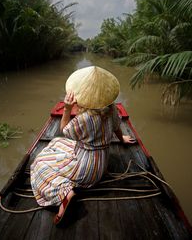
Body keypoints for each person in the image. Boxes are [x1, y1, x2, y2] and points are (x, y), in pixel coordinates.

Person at [30, 66, 136, 225]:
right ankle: (68, 190)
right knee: (57, 143)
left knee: (40, 164)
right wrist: (122, 139)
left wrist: (67, 109)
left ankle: (64, 194)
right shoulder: (112, 109)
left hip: (85, 169)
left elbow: (64, 130)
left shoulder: (84, 119)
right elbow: (116, 127)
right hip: (101, 163)